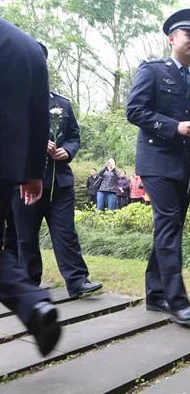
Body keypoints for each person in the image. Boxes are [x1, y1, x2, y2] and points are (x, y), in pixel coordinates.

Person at [126, 8, 190, 325]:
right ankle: (176, 300)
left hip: (185, 167)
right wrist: (174, 127)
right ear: (172, 38)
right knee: (169, 226)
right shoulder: (151, 70)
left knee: (170, 228)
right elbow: (135, 111)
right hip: (156, 162)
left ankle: (155, 294)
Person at [11, 41, 103, 298]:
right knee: (25, 236)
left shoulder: (62, 103)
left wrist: (69, 151)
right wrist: (36, 144)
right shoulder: (10, 101)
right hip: (23, 181)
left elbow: (74, 135)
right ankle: (29, 284)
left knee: (66, 233)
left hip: (60, 180)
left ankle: (77, 281)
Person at [0, 18, 61, 356]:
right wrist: (33, 172)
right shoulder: (27, 47)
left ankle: (32, 301)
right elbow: (39, 118)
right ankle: (33, 302)